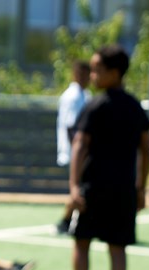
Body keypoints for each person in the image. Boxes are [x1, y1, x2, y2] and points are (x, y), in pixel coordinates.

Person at [56, 44, 149, 270]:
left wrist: (73, 187)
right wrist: (140, 188)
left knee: (82, 244)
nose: (92, 74)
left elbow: (79, 145)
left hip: (92, 189)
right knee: (117, 249)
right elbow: (147, 151)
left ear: (114, 73)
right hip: (123, 191)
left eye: (97, 69)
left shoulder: (94, 105)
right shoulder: (135, 107)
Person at [55, 59, 92, 235]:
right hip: (74, 152)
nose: (86, 78)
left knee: (79, 188)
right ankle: (65, 222)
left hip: (81, 152)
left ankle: (66, 222)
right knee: (77, 188)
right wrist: (80, 153)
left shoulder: (86, 94)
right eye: (82, 74)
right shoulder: (72, 96)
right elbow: (71, 128)